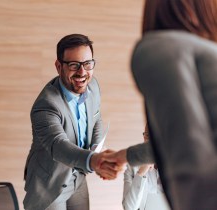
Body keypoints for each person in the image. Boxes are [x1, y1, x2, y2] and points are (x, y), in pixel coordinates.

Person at [100, 0, 217, 210]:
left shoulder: (159, 48)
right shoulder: (209, 54)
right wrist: (126, 156)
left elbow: (188, 151)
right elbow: (175, 141)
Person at [23, 34, 119, 210]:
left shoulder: (93, 86)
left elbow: (96, 118)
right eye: (74, 65)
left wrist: (97, 150)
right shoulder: (46, 106)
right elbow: (59, 147)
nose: (82, 72)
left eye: (87, 64)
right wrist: (94, 161)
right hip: (49, 186)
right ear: (59, 67)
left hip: (78, 178)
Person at [122, 124, 169, 210]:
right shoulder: (131, 165)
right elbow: (129, 208)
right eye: (147, 135)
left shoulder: (175, 165)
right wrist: (141, 172)